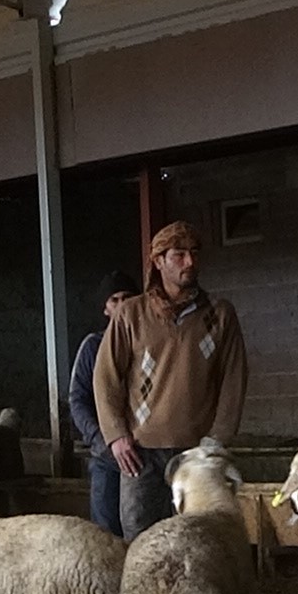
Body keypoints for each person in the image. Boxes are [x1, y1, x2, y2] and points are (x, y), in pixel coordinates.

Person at [92, 218, 249, 536]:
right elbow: (105, 375)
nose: (189, 262)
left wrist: (216, 440)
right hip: (141, 452)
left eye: (194, 253)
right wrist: (117, 437)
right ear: (159, 261)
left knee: (201, 537)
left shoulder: (219, 315)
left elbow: (234, 378)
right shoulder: (130, 315)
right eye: (178, 254)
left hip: (198, 451)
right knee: (140, 536)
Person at [62, 266, 139, 535]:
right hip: (107, 456)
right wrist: (101, 438)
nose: (121, 305)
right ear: (105, 309)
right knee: (106, 535)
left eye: (127, 297)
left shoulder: (148, 344)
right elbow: (78, 398)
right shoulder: (93, 347)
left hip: (144, 453)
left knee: (143, 533)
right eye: (114, 300)